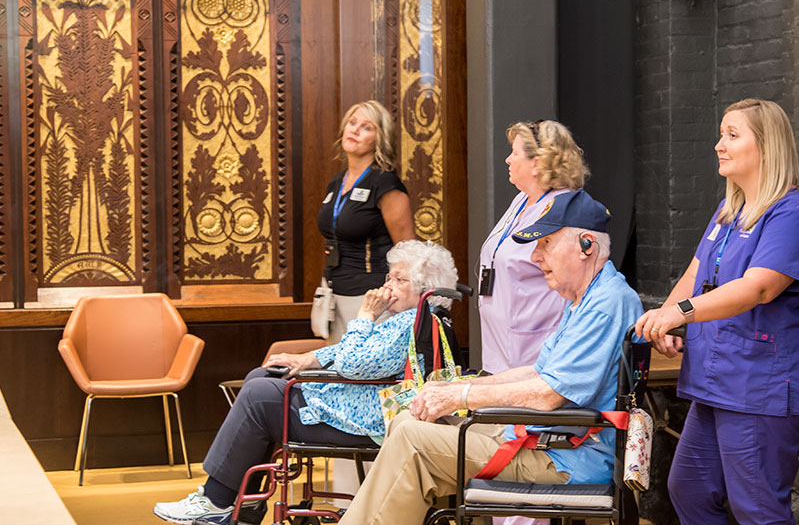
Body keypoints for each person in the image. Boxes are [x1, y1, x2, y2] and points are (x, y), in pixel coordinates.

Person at [339, 190, 644, 525]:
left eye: (545, 244)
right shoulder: (590, 298)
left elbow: (548, 394)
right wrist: (461, 387)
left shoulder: (604, 305)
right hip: (546, 441)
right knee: (407, 423)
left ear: (586, 246)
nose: (535, 256)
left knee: (413, 441)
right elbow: (539, 372)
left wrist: (461, 395)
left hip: (565, 457)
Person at [153, 240, 458, 525]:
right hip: (359, 408)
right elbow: (348, 351)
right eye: (389, 276)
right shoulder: (412, 317)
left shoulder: (409, 321)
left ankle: (218, 500)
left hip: (364, 420)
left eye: (399, 280)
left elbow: (353, 363)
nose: (386, 285)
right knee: (263, 377)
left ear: (424, 289)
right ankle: (239, 503)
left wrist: (364, 314)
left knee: (260, 395)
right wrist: (306, 360)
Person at [633, 98, 799, 525]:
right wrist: (663, 316)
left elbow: (758, 288)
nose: (719, 145)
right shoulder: (729, 211)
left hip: (762, 385)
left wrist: (681, 312)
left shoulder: (793, 213)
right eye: (721, 134)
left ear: (767, 146)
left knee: (757, 508)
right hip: (719, 380)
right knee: (689, 489)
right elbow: (696, 272)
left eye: (733, 135)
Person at [478, 119, 588, 373]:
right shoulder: (521, 199)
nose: (508, 160)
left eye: (514, 153)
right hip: (499, 346)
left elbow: (577, 284)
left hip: (535, 347)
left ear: (536, 163)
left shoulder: (564, 209)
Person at [317, 100, 416, 343]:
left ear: (379, 139)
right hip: (332, 292)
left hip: (370, 297)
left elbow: (407, 250)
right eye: (352, 123)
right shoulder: (336, 182)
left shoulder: (385, 183)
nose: (354, 130)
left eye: (366, 127)